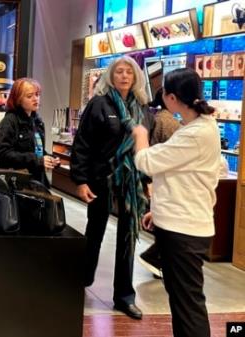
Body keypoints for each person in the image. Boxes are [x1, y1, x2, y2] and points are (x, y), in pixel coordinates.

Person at [133, 68, 220, 337]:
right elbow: (180, 175)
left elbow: (146, 161)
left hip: (185, 230)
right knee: (183, 299)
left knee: (187, 303)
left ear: (170, 97)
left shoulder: (194, 134)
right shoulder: (201, 126)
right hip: (183, 223)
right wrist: (158, 211)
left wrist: (140, 135)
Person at [70, 56, 154, 320]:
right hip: (100, 179)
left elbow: (146, 148)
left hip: (131, 184)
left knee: (128, 237)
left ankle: (124, 297)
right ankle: (80, 283)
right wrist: (80, 180)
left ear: (137, 77)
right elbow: (82, 144)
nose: (124, 76)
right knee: (94, 232)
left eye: (129, 72)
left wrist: (148, 182)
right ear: (110, 76)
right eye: (119, 71)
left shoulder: (142, 108)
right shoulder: (99, 104)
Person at [138, 88, 181, 279]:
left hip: (154, 176)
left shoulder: (156, 117)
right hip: (162, 178)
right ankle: (155, 257)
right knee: (168, 224)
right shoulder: (170, 122)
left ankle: (157, 259)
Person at [0, 78, 59, 186]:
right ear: (18, 99)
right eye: (29, 96)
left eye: (37, 95)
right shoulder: (9, 122)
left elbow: (38, 151)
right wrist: (37, 160)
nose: (36, 99)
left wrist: (50, 158)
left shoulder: (38, 122)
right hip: (17, 183)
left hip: (37, 181)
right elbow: (2, 155)